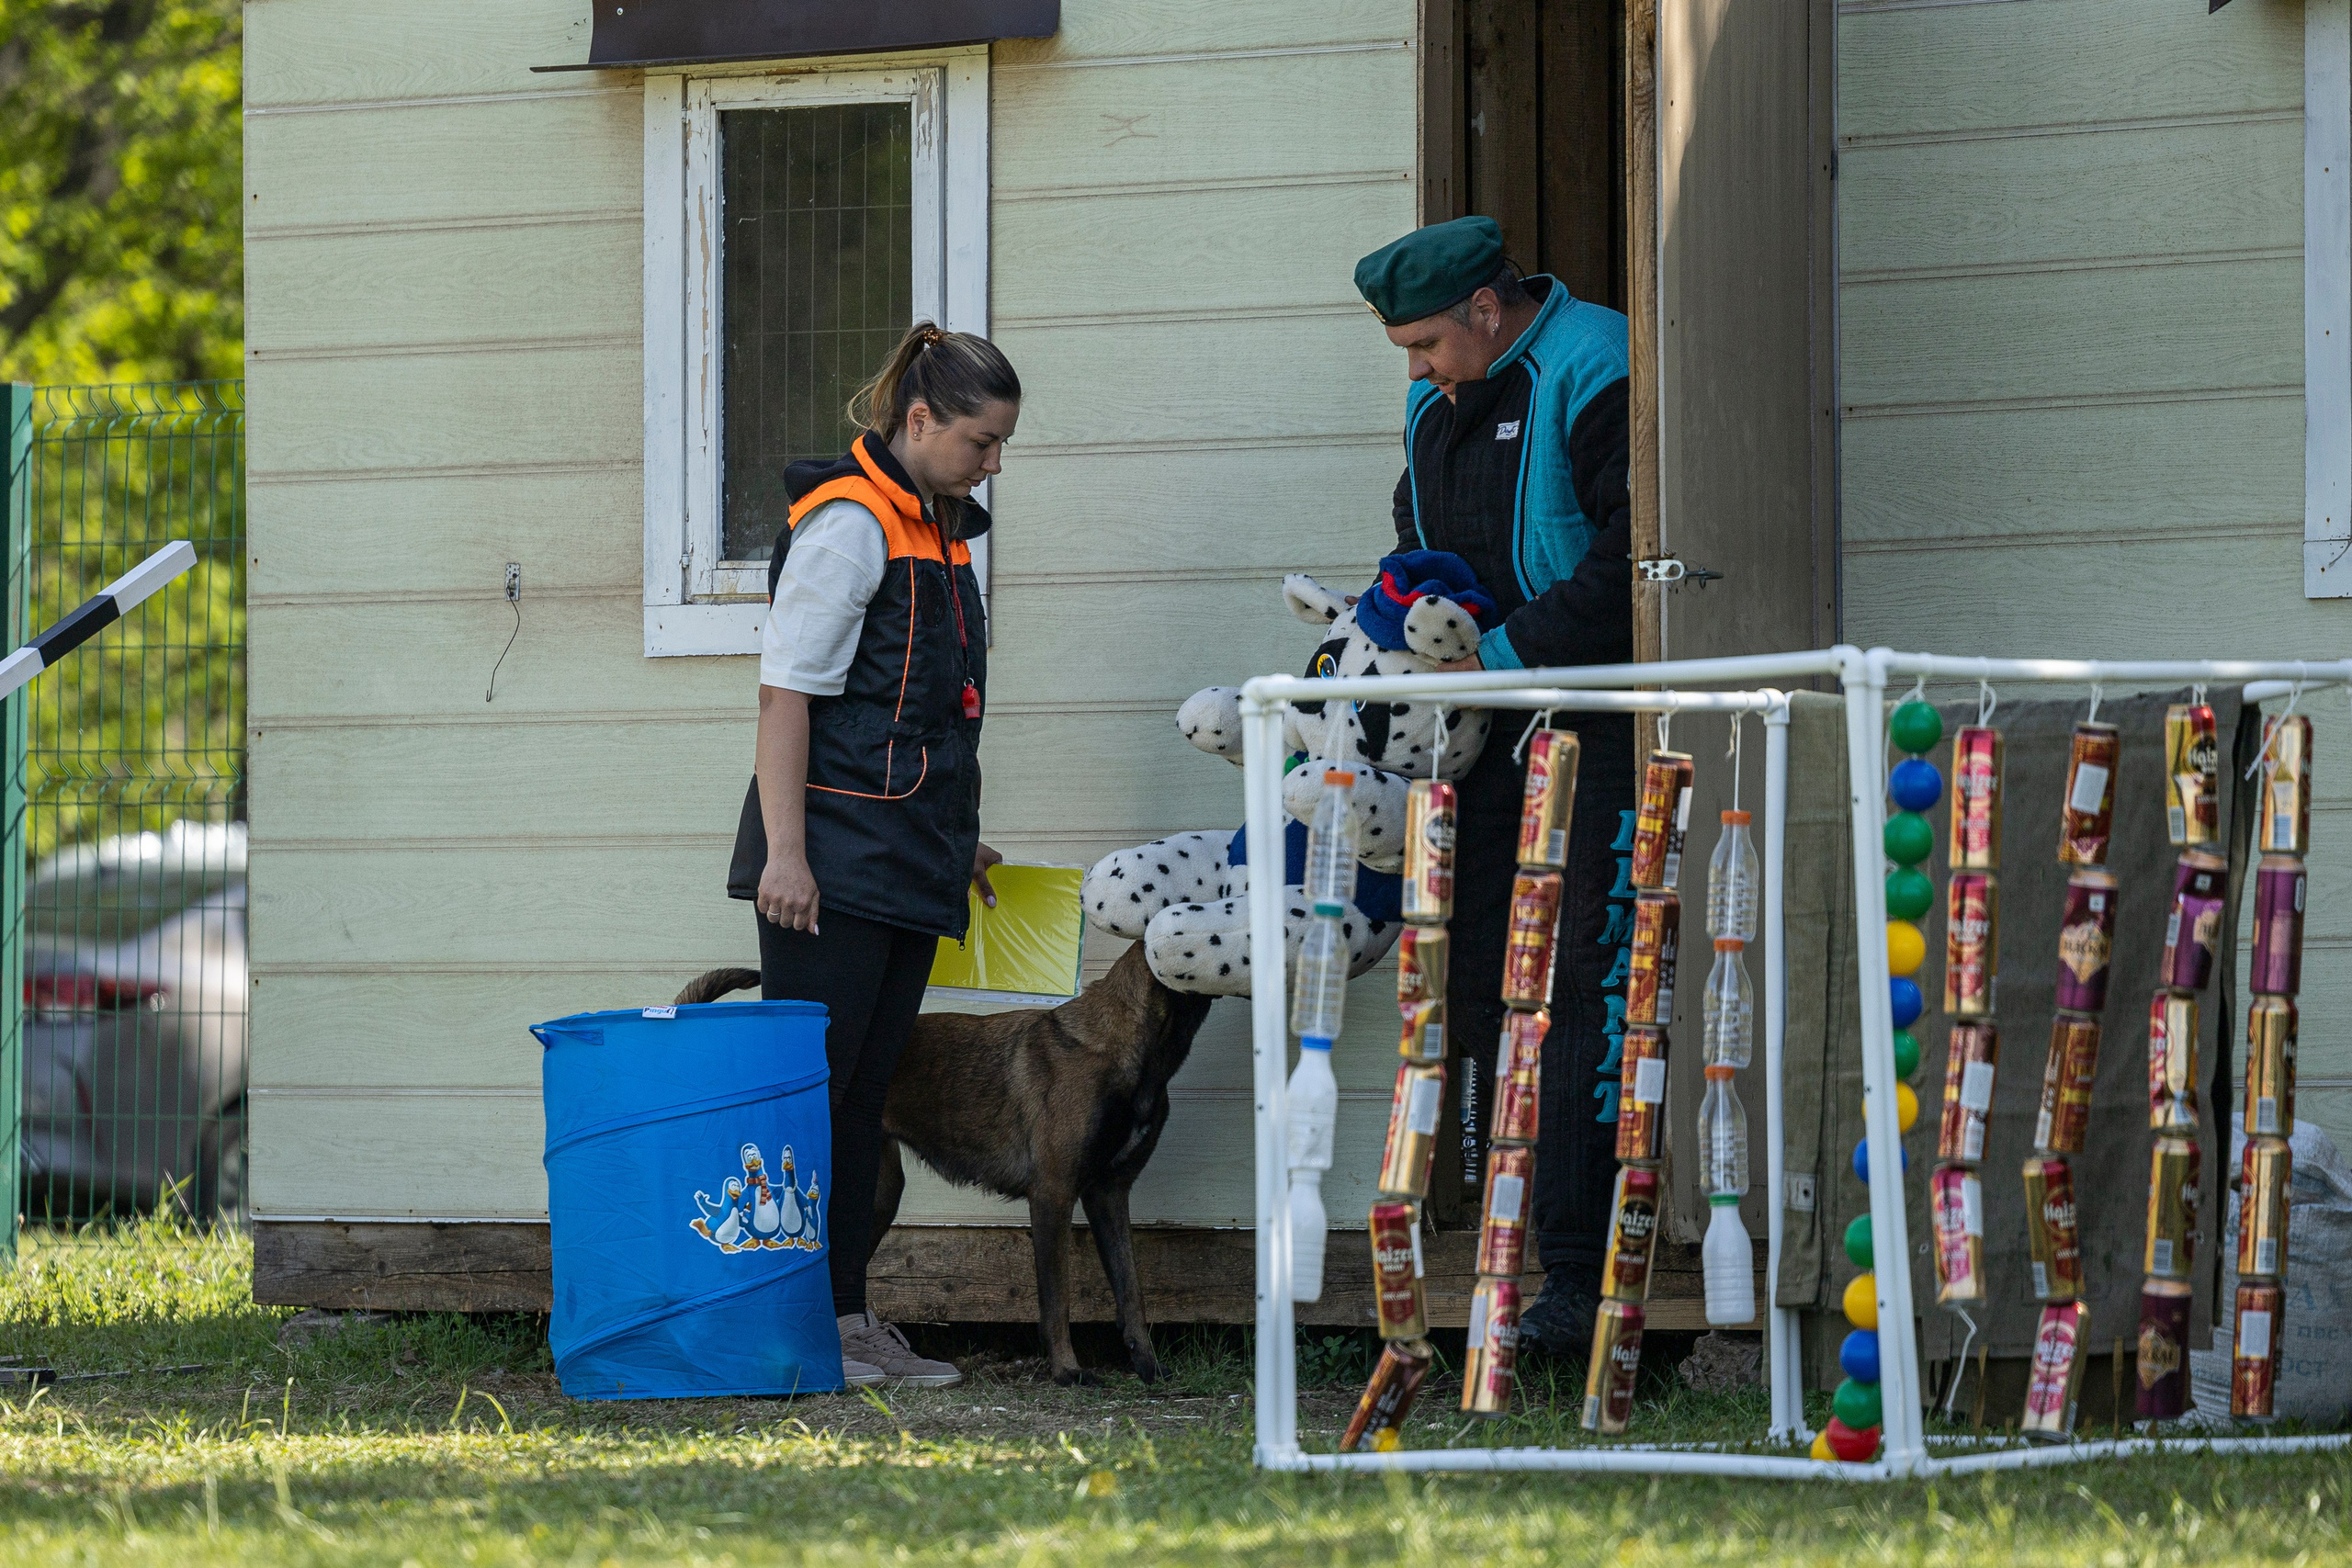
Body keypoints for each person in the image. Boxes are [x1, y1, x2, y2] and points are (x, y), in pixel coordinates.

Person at [1354, 216, 1634, 1362]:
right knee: (1472, 977)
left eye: (1426, 344)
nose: (1416, 370)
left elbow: (1632, 555)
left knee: (1569, 989)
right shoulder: (1433, 401)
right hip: (1472, 741)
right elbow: (1414, 543)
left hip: (1586, 720)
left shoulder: (1598, 362)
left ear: (1485, 306)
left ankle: (1578, 1277)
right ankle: (1484, 1261)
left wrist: (1505, 660)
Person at [727, 321, 1021, 1390]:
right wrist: (787, 859)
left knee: (862, 1098)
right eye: (980, 442)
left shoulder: (936, 529)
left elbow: (913, 714)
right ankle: (795, 1321)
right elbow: (785, 697)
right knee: (814, 1098)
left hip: (905, 858)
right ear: (919, 420)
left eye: (1001, 446)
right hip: (828, 867)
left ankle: (843, 1320)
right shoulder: (852, 524)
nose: (993, 464)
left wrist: (955, 836)